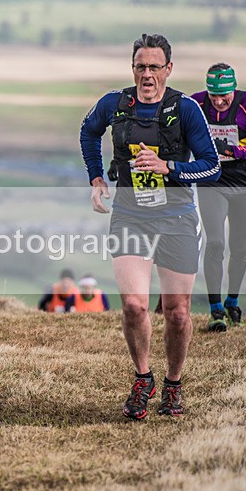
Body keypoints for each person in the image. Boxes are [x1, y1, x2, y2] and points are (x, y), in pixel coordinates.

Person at [79, 33, 221, 419]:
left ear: (168, 69)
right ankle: (144, 378)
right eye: (140, 66)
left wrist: (169, 167)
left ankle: (173, 385)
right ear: (133, 69)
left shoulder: (186, 109)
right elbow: (88, 132)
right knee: (135, 306)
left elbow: (211, 166)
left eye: (154, 67)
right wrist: (96, 178)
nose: (146, 74)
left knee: (176, 312)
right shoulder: (114, 104)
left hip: (176, 218)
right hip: (130, 215)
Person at [191, 64, 246, 331]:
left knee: (240, 247)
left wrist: (234, 150)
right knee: (214, 242)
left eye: (223, 95)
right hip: (211, 179)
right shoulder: (196, 102)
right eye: (213, 94)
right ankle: (215, 310)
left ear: (234, 89)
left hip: (243, 179)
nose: (218, 101)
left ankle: (232, 301)